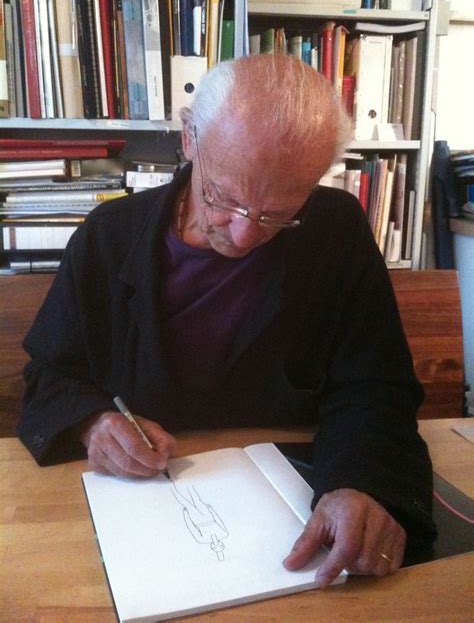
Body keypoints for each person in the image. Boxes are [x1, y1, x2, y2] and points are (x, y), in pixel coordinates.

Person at [18, 54, 436, 587]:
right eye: (223, 197)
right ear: (191, 137)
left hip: (290, 513)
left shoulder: (335, 232)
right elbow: (50, 379)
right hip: (138, 522)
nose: (242, 236)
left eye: (276, 215)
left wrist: (363, 485)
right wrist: (93, 422)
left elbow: (376, 388)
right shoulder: (109, 236)